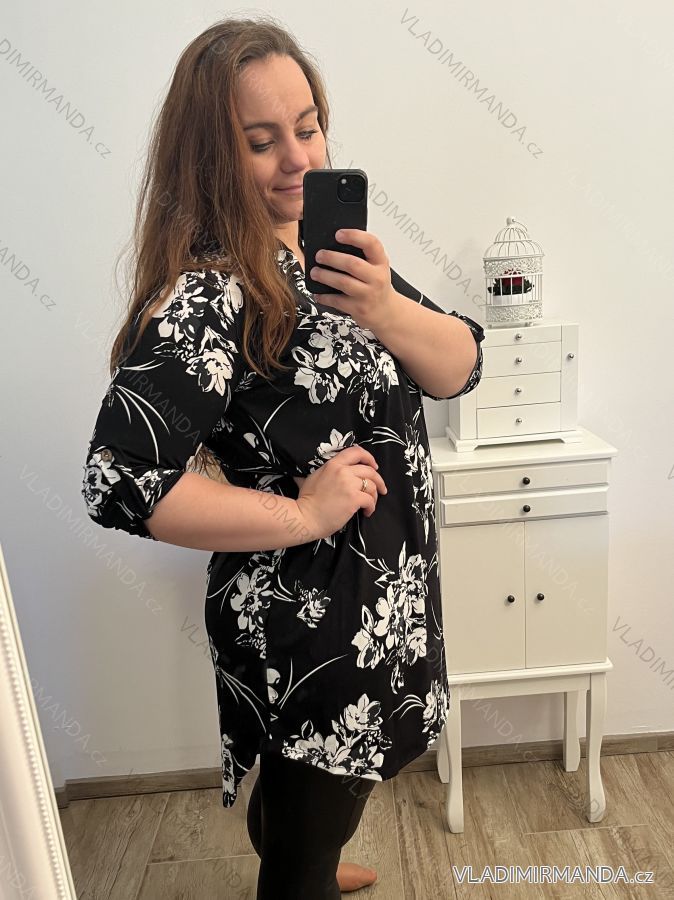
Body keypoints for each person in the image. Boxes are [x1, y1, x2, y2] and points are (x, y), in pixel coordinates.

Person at [81, 15, 485, 899]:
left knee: (325, 797)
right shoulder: (211, 291)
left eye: (308, 127)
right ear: (208, 158)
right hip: (311, 627)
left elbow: (459, 366)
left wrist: (385, 308)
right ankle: (304, 868)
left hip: (382, 598)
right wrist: (303, 512)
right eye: (262, 142)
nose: (298, 159)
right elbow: (121, 479)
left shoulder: (333, 257)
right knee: (308, 829)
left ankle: (310, 852)